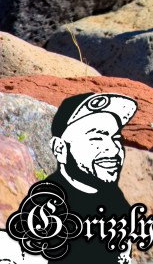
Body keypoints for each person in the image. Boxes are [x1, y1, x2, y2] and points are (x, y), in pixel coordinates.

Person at [45, 92, 138, 264]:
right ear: (60, 149)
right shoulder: (48, 203)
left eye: (116, 138)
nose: (114, 149)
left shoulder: (116, 199)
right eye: (97, 138)